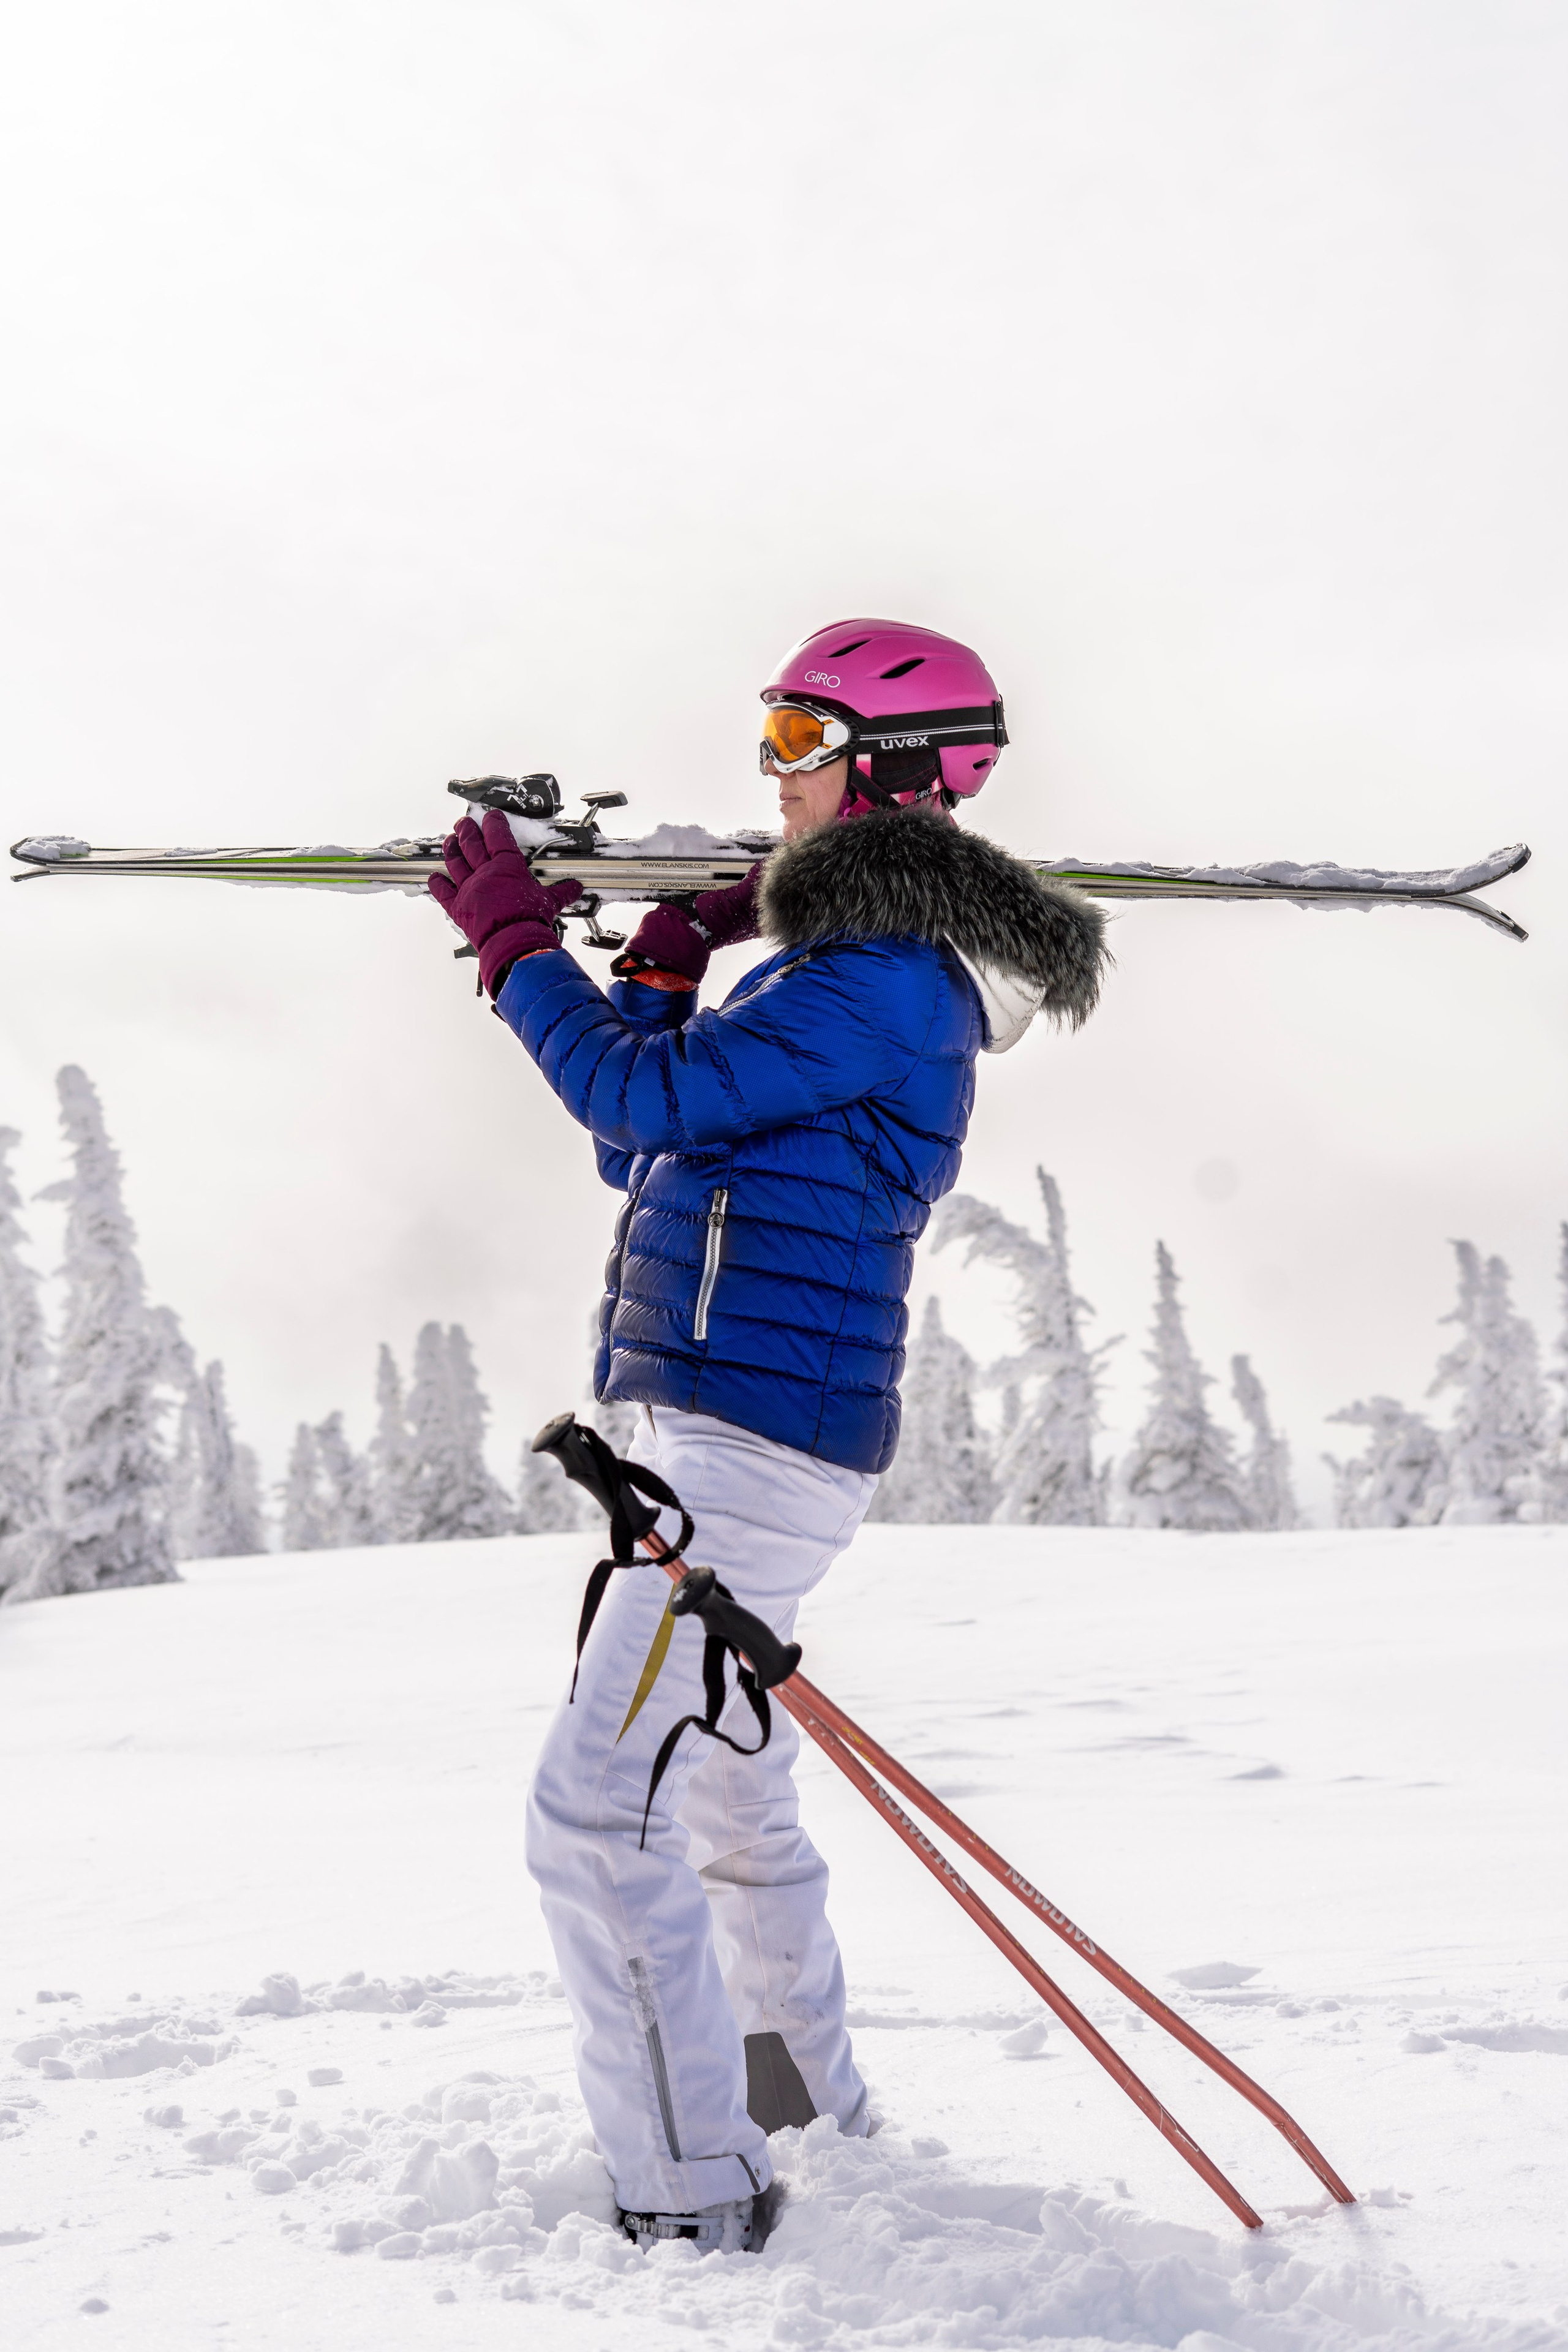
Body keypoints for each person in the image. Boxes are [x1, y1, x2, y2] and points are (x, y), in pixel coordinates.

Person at [429, 619, 1107, 2254]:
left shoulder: (877, 982)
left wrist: (522, 942)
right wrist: (663, 955)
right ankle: (799, 2100)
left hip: (742, 1444)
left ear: (888, 773)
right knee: (724, 1792)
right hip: (719, 1436)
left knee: (599, 1818)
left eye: (800, 744)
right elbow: (656, 1148)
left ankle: (689, 2187)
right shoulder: (842, 974)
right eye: (772, 737)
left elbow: (635, 1104)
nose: (772, 776)